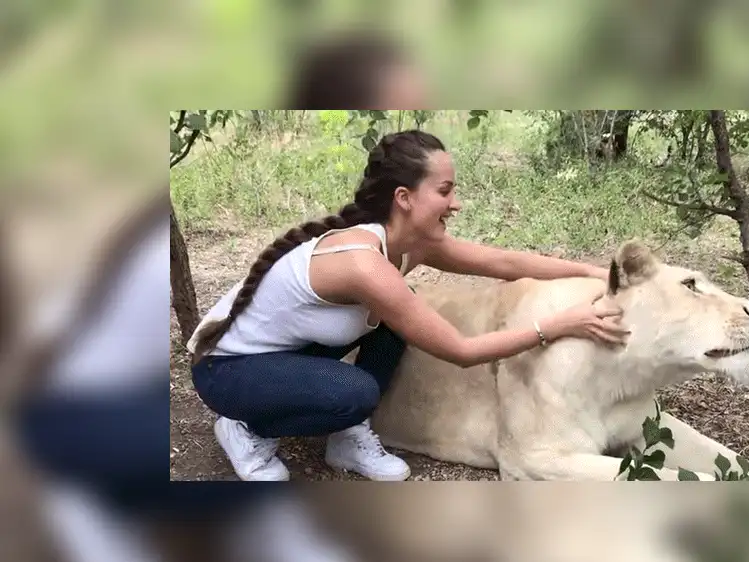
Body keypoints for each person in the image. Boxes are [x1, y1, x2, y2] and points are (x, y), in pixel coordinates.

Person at [187, 129, 630, 482]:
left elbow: (503, 262)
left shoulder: (410, 244)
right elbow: (461, 351)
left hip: (289, 354)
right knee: (354, 392)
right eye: (445, 191)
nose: (456, 204)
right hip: (226, 370)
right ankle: (245, 426)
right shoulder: (362, 263)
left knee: (399, 314)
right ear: (404, 197)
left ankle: (347, 435)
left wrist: (594, 272)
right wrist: (559, 324)